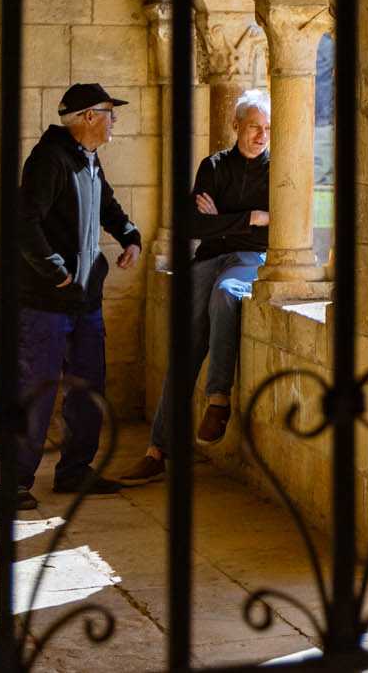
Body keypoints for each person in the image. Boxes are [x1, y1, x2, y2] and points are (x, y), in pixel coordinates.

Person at [119, 91, 271, 485]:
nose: (261, 135)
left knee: (227, 294)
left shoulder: (278, 170)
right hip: (207, 259)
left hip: (247, 260)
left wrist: (224, 220)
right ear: (236, 125)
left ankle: (218, 399)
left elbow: (277, 223)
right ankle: (157, 451)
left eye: (268, 128)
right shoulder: (214, 166)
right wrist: (249, 218)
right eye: (254, 126)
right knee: (184, 351)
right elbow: (192, 226)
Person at [15, 82, 142, 513]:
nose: (114, 120)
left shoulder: (89, 159)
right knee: (38, 389)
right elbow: (24, 224)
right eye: (110, 111)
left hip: (86, 298)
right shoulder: (49, 160)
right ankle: (15, 481)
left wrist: (130, 236)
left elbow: (107, 206)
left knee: (89, 387)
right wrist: (56, 273)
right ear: (89, 116)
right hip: (46, 300)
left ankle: (74, 471)